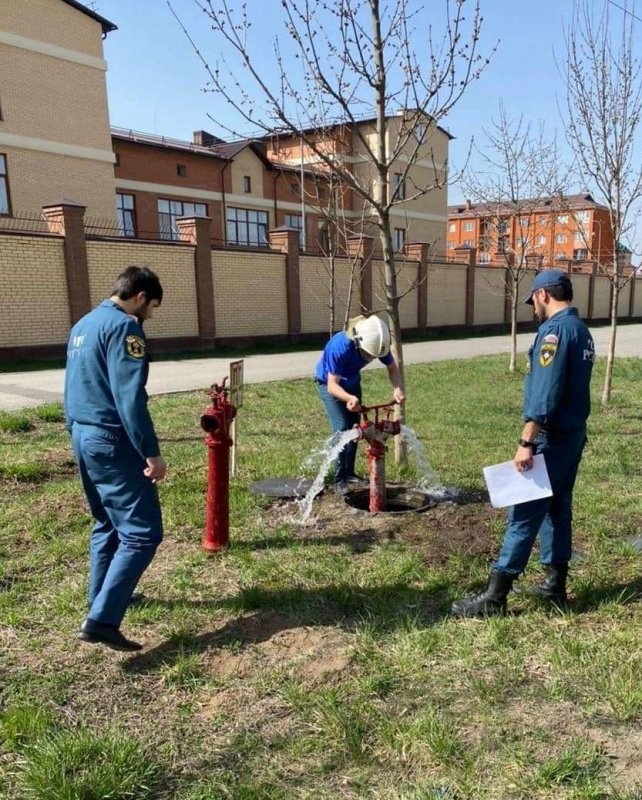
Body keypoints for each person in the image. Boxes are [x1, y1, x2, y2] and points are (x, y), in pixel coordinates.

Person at [451, 269, 595, 618]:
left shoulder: (555, 332)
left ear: (543, 295)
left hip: (549, 438)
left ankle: (495, 598)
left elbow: (545, 393)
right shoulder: (581, 330)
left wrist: (526, 441)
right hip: (572, 437)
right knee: (557, 509)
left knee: (523, 514)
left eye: (533, 301)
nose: (533, 308)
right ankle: (554, 585)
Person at [64, 266, 166, 651]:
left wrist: (75, 430)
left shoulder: (83, 324)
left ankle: (101, 597)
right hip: (111, 440)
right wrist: (151, 453)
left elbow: (73, 385)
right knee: (142, 533)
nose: (150, 315)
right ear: (139, 297)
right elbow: (129, 397)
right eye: (152, 306)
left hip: (81, 432)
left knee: (106, 521)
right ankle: (103, 620)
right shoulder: (125, 328)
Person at [315, 314, 405, 488]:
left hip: (352, 383)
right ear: (358, 342)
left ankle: (349, 473)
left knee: (356, 427)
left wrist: (398, 388)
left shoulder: (377, 342)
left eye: (373, 357)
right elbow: (332, 386)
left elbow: (392, 368)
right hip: (328, 384)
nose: (369, 359)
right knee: (342, 427)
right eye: (367, 355)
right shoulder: (339, 347)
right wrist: (349, 398)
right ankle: (340, 479)